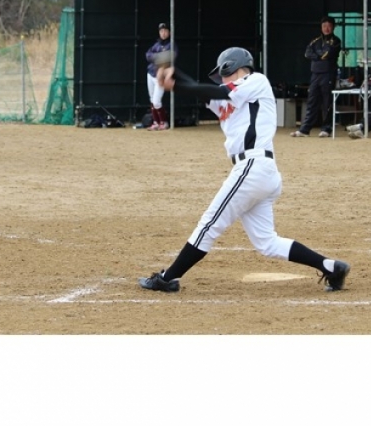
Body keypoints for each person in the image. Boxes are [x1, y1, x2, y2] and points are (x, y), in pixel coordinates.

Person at [138, 47, 351, 293]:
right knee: (267, 242)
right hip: (259, 172)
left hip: (252, 167)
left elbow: (216, 91)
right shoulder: (228, 97)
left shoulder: (256, 81)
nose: (221, 79)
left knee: (208, 225)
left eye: (224, 73)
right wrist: (174, 75)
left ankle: (167, 278)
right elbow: (202, 90)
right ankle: (331, 267)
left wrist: (174, 82)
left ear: (234, 66)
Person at [290, 16, 342, 138]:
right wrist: (318, 55)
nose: (326, 28)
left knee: (327, 102)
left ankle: (326, 129)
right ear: (321, 27)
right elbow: (307, 53)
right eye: (324, 26)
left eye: (329, 26)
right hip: (315, 74)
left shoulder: (336, 41)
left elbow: (327, 53)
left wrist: (317, 55)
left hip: (328, 73)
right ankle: (305, 130)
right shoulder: (315, 41)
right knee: (312, 101)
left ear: (333, 27)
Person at [144, 23, 178, 130]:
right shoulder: (156, 44)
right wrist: (159, 57)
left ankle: (164, 122)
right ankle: (156, 122)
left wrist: (157, 57)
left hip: (161, 76)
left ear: (169, 32)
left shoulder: (171, 45)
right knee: (152, 100)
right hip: (151, 73)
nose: (163, 33)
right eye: (161, 31)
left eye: (165, 31)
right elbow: (147, 55)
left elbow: (170, 57)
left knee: (156, 101)